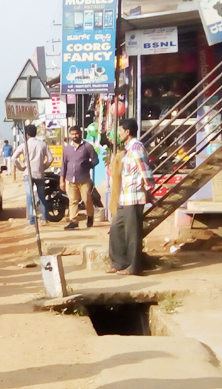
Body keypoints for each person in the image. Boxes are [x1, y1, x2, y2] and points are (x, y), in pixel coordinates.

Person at [108, 118, 153, 276]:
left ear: (127, 132)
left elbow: (145, 170)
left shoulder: (136, 148)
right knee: (116, 229)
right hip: (124, 197)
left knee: (132, 234)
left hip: (134, 198)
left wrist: (149, 190)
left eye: (120, 131)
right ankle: (119, 262)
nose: (119, 134)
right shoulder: (128, 149)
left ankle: (134, 266)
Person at [11, 123, 54, 225]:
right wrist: (44, 166)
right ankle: (44, 219)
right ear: (35, 133)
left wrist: (21, 167)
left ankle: (32, 221)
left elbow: (13, 158)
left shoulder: (23, 145)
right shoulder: (42, 144)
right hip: (39, 173)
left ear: (26, 135)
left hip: (28, 173)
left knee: (30, 197)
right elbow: (51, 158)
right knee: (41, 196)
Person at [60, 126, 99, 230]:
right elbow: (63, 164)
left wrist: (88, 165)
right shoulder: (67, 148)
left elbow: (96, 160)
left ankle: (90, 216)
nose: (74, 136)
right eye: (72, 134)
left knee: (87, 199)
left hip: (84, 179)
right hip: (70, 179)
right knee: (72, 201)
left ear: (80, 133)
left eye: (76, 134)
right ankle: (73, 221)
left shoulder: (87, 147)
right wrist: (62, 180)